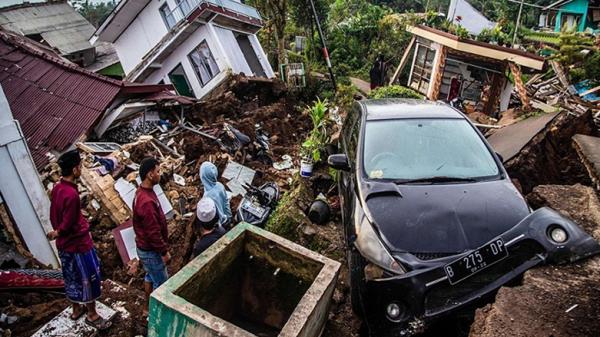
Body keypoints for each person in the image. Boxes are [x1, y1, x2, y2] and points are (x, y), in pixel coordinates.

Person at [47, 150, 112, 330]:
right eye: (80, 167)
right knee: (88, 277)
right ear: (75, 169)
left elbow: (56, 216)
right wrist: (60, 232)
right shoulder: (72, 195)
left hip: (65, 247)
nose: (81, 169)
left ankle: (76, 309)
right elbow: (67, 224)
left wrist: (57, 232)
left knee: (71, 277)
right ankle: (92, 314)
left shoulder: (57, 188)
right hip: (78, 245)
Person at [132, 157, 170, 317]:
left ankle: (147, 309)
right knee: (162, 284)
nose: (160, 174)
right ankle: (157, 315)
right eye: (158, 171)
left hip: (144, 248)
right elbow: (152, 232)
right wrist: (164, 252)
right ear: (150, 175)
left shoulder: (142, 192)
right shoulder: (146, 201)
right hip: (151, 251)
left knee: (149, 276)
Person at [199, 161, 232, 228]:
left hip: (221, 225)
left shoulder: (207, 197)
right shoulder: (219, 185)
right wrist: (229, 217)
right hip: (227, 219)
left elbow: (212, 217)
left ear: (203, 177)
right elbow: (226, 202)